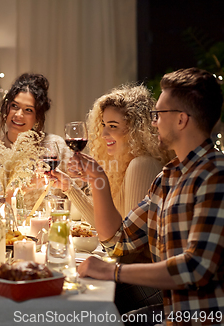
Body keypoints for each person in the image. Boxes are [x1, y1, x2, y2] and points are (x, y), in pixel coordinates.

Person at [73, 68, 224, 325]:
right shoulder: (168, 177)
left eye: (158, 114)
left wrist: (113, 271)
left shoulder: (214, 175)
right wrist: (98, 180)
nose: (153, 122)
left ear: (181, 120)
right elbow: (119, 241)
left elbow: (196, 269)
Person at [54, 84, 174, 314]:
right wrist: (71, 188)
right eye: (103, 126)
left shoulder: (142, 165)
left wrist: (95, 179)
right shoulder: (121, 165)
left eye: (113, 127)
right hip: (134, 271)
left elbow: (124, 250)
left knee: (75, 295)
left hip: (151, 285)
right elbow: (106, 229)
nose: (103, 134)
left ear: (136, 130)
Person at [0, 73, 72, 208]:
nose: (18, 115)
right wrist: (22, 187)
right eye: (15, 106)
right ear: (7, 108)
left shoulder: (55, 146)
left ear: (37, 118)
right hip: (3, 228)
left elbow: (78, 193)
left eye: (28, 110)